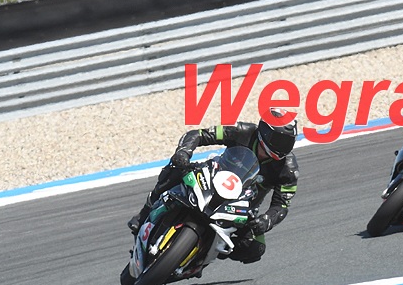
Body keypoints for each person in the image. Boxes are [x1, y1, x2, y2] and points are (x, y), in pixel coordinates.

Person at [127, 107, 300, 264]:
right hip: (212, 179)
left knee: (256, 249)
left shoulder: (288, 170)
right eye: (280, 140)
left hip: (243, 207)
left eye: (288, 141)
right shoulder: (242, 131)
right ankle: (144, 213)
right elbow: (199, 134)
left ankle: (204, 255)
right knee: (176, 168)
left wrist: (267, 220)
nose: (284, 147)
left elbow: (282, 205)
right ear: (265, 132)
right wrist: (184, 152)